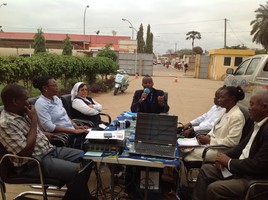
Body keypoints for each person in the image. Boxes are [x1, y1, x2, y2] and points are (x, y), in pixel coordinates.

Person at [0, 84, 92, 199]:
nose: (29, 103)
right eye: (26, 99)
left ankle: (74, 196)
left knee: (89, 157)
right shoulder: (5, 124)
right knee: (75, 170)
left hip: (49, 150)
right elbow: (25, 152)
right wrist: (34, 120)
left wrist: (43, 133)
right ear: (15, 101)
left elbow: (30, 133)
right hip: (33, 162)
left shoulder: (22, 112)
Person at [192, 91, 268, 200]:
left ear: (264, 107)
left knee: (215, 188)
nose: (249, 108)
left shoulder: (266, 130)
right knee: (206, 170)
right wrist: (221, 157)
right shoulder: (256, 123)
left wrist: (229, 162)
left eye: (252, 104)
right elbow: (241, 146)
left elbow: (258, 165)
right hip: (240, 168)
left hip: (252, 178)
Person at [184, 86, 245, 162]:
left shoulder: (237, 116)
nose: (218, 100)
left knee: (187, 153)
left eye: (222, 97)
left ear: (231, 99)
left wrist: (210, 141)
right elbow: (215, 128)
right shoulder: (224, 111)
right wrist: (207, 136)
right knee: (184, 147)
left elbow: (232, 142)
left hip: (220, 150)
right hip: (211, 145)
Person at [33, 76, 89, 148]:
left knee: (96, 137)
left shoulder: (56, 99)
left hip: (72, 131)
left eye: (56, 85)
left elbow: (64, 115)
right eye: (54, 85)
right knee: (92, 143)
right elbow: (49, 127)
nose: (57, 87)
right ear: (45, 88)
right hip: (64, 137)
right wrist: (74, 131)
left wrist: (76, 126)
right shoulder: (41, 104)